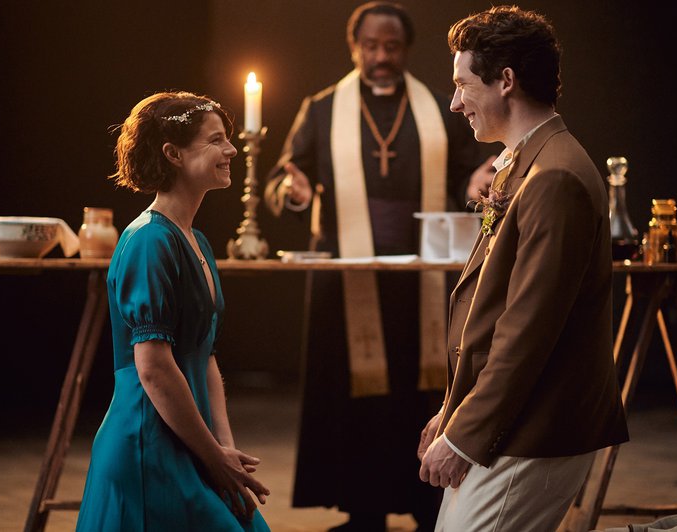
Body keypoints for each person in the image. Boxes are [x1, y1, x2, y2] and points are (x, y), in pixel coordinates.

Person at [262, 2, 493, 530]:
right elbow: (281, 180)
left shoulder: (439, 107)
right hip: (348, 278)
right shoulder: (321, 109)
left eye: (391, 47)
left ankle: (424, 506)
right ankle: (361, 511)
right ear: (354, 47)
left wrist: (475, 183)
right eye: (371, 46)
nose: (381, 56)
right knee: (354, 397)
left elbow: (466, 177)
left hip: (424, 280)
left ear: (405, 50)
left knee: (421, 394)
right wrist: (293, 192)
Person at [417, 6, 629, 531]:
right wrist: (454, 410)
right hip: (510, 423)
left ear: (505, 81)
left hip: (535, 429)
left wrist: (465, 435)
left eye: (463, 84)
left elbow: (526, 332)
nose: (455, 101)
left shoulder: (554, 176)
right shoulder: (529, 160)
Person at [76, 91, 271, 531]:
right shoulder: (149, 240)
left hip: (193, 439)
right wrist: (212, 457)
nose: (232, 150)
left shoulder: (196, 241)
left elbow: (205, 354)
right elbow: (154, 369)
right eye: (216, 140)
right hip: (149, 442)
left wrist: (224, 448)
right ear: (173, 154)